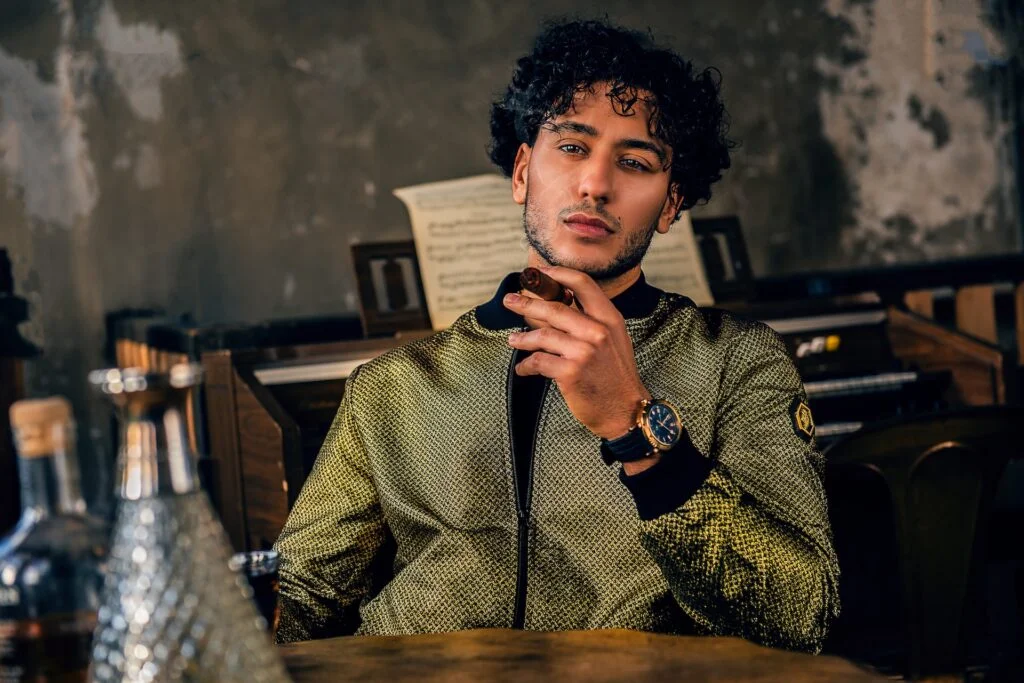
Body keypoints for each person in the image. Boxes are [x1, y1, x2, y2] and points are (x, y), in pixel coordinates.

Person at [274, 18, 839, 653]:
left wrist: (637, 426)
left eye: (635, 162)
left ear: (672, 203)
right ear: (522, 172)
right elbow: (303, 603)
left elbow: (800, 616)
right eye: (571, 147)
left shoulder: (738, 362)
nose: (596, 184)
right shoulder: (391, 386)